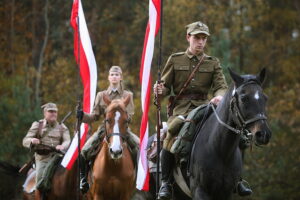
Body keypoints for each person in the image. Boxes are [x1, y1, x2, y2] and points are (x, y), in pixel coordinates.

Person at [154, 21, 252, 199]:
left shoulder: (212, 62)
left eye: (203, 38)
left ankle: (237, 179)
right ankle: (166, 183)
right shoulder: (175, 60)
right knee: (170, 135)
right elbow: (166, 88)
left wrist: (220, 97)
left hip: (205, 108)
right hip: (181, 111)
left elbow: (221, 86)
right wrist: (160, 90)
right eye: (197, 38)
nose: (200, 42)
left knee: (237, 134)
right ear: (188, 38)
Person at [77, 65, 139, 193]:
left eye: (117, 74)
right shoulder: (101, 95)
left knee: (142, 149)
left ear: (121, 77)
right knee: (84, 151)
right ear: (108, 77)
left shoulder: (128, 95)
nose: (114, 77)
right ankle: (83, 180)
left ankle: (139, 181)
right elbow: (94, 116)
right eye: (112, 75)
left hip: (123, 129)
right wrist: (82, 116)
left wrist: (123, 118)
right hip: (104, 129)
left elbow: (131, 115)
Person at [23, 102, 71, 197]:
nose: (53, 113)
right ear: (45, 113)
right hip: (43, 158)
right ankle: (40, 197)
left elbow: (67, 140)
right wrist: (32, 140)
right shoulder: (38, 125)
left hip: (58, 158)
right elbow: (25, 140)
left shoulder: (62, 127)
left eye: (55, 112)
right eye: (50, 111)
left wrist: (63, 146)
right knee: (40, 180)